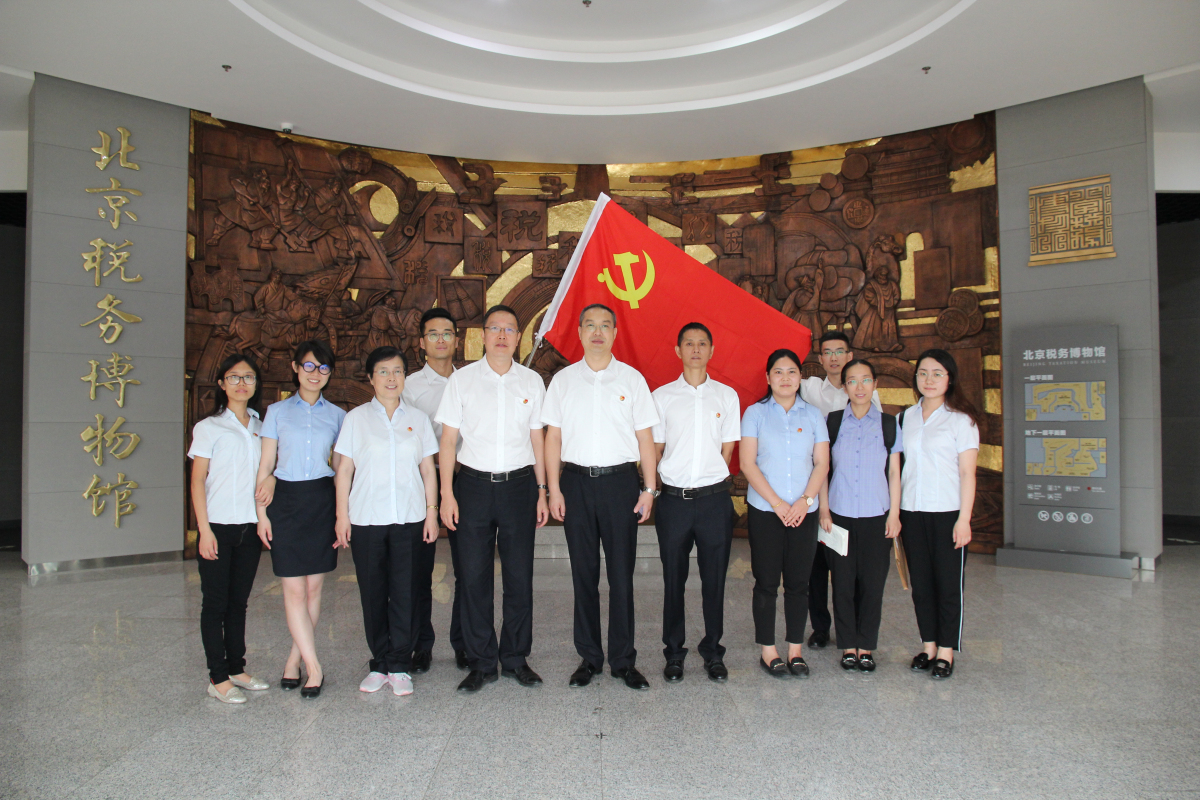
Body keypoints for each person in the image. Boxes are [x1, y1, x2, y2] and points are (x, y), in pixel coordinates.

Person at [543, 303, 659, 690]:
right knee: (584, 575)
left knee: (621, 577)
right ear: (579, 332)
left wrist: (649, 489)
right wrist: (554, 489)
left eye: (605, 326)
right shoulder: (563, 381)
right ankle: (589, 658)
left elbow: (645, 438)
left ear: (614, 333)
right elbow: (553, 438)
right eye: (590, 325)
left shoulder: (632, 380)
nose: (597, 332)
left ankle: (623, 660)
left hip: (620, 484)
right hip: (576, 483)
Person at [436, 305, 549, 692]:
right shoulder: (462, 381)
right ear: (482, 335)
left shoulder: (531, 382)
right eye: (495, 328)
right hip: (473, 487)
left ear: (519, 338)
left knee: (519, 576)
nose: (502, 335)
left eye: (510, 329)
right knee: (473, 577)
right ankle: (482, 661)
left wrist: (542, 491)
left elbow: (537, 440)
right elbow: (447, 441)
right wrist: (446, 494)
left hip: (519, 487)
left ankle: (515, 657)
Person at [334, 346, 440, 697]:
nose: (391, 378)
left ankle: (399, 664)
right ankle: (379, 663)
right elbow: (344, 470)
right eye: (383, 371)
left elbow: (428, 469)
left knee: (406, 592)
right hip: (367, 519)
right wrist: (342, 516)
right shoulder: (356, 419)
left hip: (410, 518)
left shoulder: (418, 419)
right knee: (373, 592)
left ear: (404, 377)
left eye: (397, 371)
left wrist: (431, 512)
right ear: (371, 378)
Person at [255, 340, 346, 699]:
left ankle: (295, 660)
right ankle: (315, 667)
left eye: (323, 368)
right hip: (286, 501)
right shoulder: (276, 412)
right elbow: (265, 465)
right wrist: (261, 515)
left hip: (321, 499)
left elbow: (341, 468)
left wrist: (342, 514)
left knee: (313, 589)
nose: (315, 374)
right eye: (309, 366)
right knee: (293, 588)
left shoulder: (337, 416)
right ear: (295, 368)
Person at [650, 322, 740, 683]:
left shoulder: (726, 396)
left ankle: (713, 652)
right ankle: (674, 653)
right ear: (678, 350)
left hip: (714, 500)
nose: (696, 349)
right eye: (689, 343)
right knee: (673, 580)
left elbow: (727, 450)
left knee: (714, 581)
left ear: (712, 350)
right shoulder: (662, 397)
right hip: (674, 502)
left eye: (703, 343)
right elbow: (656, 450)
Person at [740, 349, 830, 678]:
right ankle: (768, 650)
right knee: (766, 582)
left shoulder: (814, 415)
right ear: (768, 377)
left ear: (800, 377)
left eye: (792, 371)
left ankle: (795, 650)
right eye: (778, 372)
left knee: (798, 583)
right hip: (766, 511)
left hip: (804, 512)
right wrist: (778, 504)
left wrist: (805, 501)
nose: (785, 378)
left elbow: (822, 463)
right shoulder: (755, 413)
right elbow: (747, 463)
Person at [188, 353, 270, 704]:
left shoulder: (261, 425)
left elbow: (269, 470)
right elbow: (197, 481)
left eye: (248, 377)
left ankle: (237, 668)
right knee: (215, 604)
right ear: (222, 383)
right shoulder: (208, 427)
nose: (241, 383)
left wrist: (271, 483)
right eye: (234, 377)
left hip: (249, 526)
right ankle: (217, 677)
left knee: (239, 603)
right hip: (218, 527)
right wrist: (203, 530)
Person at [816, 359, 902, 672]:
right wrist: (824, 509)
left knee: (872, 585)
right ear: (845, 387)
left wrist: (894, 514)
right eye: (852, 380)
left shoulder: (889, 424)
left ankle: (866, 647)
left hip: (877, 517)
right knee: (842, 584)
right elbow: (822, 467)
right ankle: (848, 646)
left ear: (875, 384)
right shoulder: (833, 422)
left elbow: (894, 472)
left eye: (866, 380)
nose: (860, 387)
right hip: (839, 516)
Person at [900, 349, 980, 680]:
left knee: (948, 585)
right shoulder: (905, 418)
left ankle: (946, 651)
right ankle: (929, 645)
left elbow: (967, 473)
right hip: (912, 511)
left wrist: (964, 519)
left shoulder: (961, 420)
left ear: (950, 379)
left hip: (948, 513)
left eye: (937, 373)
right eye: (923, 373)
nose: (929, 380)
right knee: (921, 585)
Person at [799, 332, 881, 650]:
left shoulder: (867, 394)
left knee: (850, 568)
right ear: (820, 359)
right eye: (827, 352)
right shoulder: (809, 388)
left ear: (849, 356)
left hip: (849, 489)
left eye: (839, 351)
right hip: (816, 485)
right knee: (816, 565)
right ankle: (821, 628)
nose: (833, 357)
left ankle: (856, 630)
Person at [401, 307, 466, 674]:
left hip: (464, 482)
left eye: (447, 333)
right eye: (433, 334)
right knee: (418, 570)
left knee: (467, 568)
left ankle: (464, 642)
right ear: (422, 343)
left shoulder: (469, 381)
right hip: (421, 482)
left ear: (457, 340)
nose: (441, 340)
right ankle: (419, 644)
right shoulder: (408, 387)